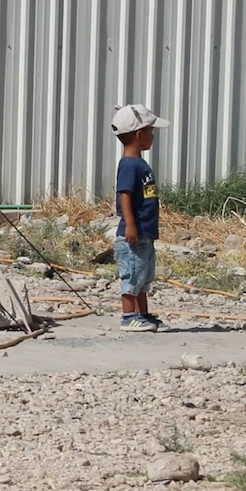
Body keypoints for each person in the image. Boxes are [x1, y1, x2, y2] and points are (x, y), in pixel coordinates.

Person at [110, 104, 170, 332]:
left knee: (144, 277)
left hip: (145, 235)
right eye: (151, 131)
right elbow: (124, 194)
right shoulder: (129, 165)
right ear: (139, 134)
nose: (153, 136)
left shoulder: (140, 164)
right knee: (132, 276)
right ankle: (128, 317)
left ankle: (143, 314)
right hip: (132, 236)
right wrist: (131, 225)